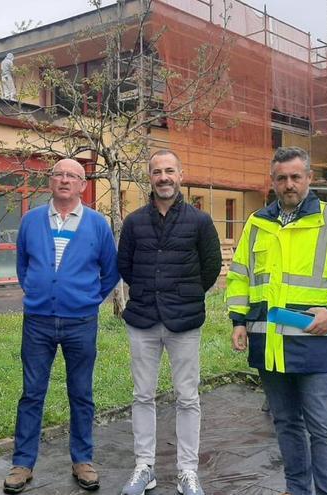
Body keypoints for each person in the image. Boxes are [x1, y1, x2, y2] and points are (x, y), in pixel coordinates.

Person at [226, 146, 327, 495]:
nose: (289, 184)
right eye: (282, 178)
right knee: (286, 425)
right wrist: (238, 320)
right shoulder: (257, 224)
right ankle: (297, 490)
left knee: (323, 428)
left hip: (317, 344)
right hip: (271, 346)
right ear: (273, 182)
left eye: (296, 177)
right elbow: (240, 278)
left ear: (310, 178)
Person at [2, 158, 120, 494]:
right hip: (38, 321)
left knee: (81, 393)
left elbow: (110, 269)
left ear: (83, 184)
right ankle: (22, 463)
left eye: (72, 175)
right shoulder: (31, 220)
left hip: (81, 321)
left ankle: (82, 459)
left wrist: (88, 297)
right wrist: (39, 290)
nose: (65, 180)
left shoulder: (97, 224)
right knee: (31, 393)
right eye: (59, 174)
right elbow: (24, 264)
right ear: (50, 181)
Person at [117, 150, 222, 495]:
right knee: (142, 395)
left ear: (180, 175)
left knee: (187, 398)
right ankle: (144, 467)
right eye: (157, 172)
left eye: (169, 171)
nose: (163, 177)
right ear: (150, 177)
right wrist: (152, 292)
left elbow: (210, 267)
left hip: (185, 322)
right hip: (143, 319)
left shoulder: (200, 221)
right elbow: (126, 266)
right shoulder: (134, 222)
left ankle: (187, 471)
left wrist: (184, 294)